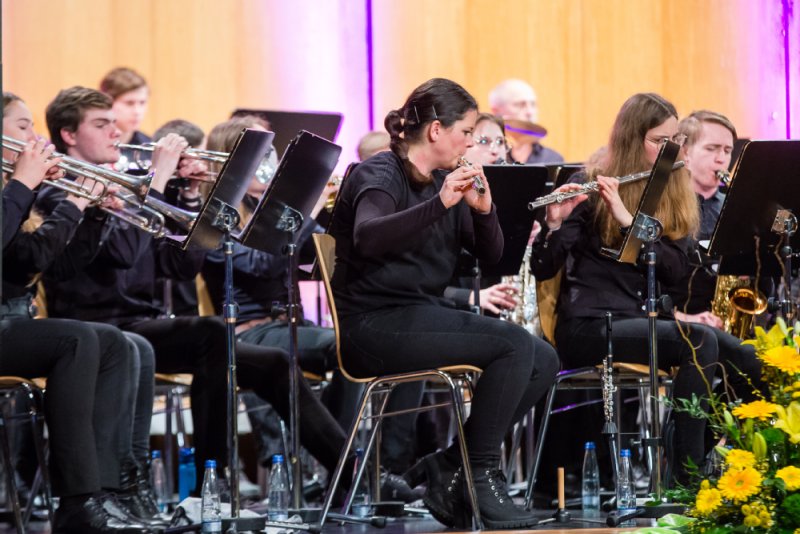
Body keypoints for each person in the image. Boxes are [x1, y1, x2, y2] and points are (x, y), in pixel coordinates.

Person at [37, 87, 350, 494]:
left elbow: (178, 268)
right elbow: (124, 254)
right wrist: (158, 180)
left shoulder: (124, 187)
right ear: (68, 136)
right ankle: (210, 486)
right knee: (212, 335)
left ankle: (350, 474)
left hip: (144, 324)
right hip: (98, 328)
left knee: (273, 363)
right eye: (102, 125)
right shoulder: (57, 193)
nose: (117, 133)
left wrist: (186, 194)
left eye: (114, 124)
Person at [328, 78, 559, 529]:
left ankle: (450, 465)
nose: (472, 142)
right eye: (468, 132)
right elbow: (368, 236)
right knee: (512, 345)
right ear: (436, 130)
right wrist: (442, 201)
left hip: (419, 316)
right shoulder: (378, 174)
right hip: (372, 326)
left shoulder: (444, 181)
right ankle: (481, 473)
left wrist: (484, 210)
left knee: (544, 358)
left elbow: (494, 258)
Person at [530, 93, 760, 485]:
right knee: (700, 342)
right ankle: (685, 476)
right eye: (659, 141)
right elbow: (543, 267)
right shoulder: (588, 183)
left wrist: (629, 222)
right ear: (633, 139)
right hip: (589, 326)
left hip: (643, 323)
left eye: (676, 141)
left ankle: (736, 463)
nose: (671, 150)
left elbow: (672, 270)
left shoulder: (674, 189)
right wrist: (553, 226)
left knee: (750, 360)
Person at [2, 92, 149, 533]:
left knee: (114, 343)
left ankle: (104, 495)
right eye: (23, 126)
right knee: (77, 338)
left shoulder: (12, 189)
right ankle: (76, 500)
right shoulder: (15, 190)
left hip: (14, 320)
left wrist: (91, 211)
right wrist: (28, 188)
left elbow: (48, 263)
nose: (34, 137)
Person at [488, 79, 564, 164]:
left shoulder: (552, 158)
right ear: (496, 111)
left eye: (533, 104)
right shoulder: (489, 155)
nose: (530, 112)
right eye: (520, 104)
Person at [99, 67, 152, 173]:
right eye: (129, 103)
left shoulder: (149, 146)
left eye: (142, 103)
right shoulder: (90, 145)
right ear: (108, 102)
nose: (137, 111)